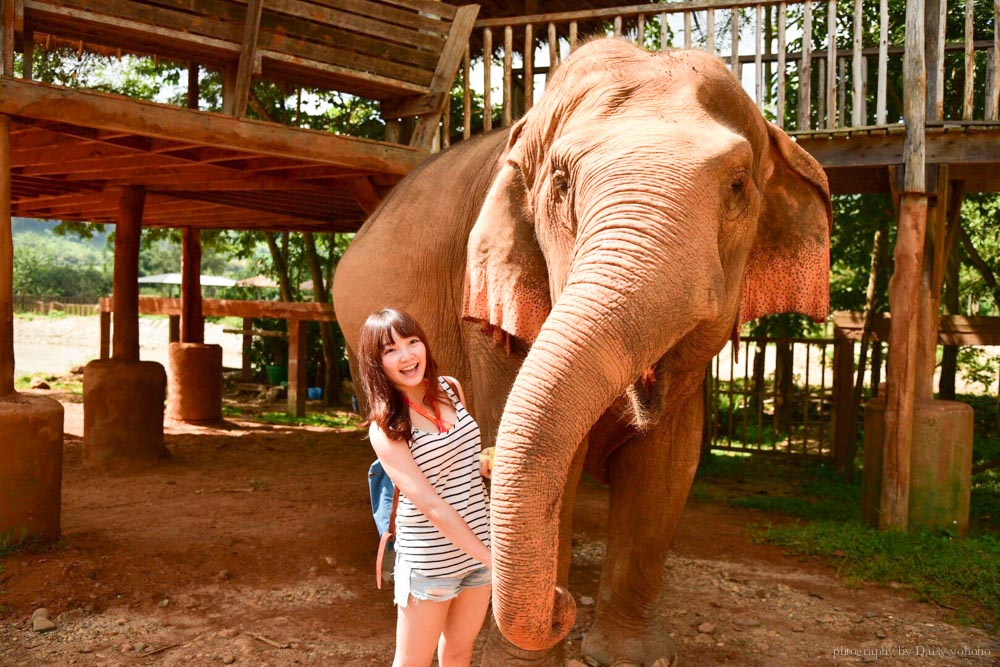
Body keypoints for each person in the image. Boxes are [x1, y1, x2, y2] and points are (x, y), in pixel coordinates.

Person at [357, 308, 492, 667]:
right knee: (413, 662)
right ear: (377, 363)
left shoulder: (450, 388)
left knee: (460, 652)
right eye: (390, 350)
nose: (406, 355)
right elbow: (430, 505)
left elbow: (459, 463)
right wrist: (493, 558)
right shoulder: (385, 426)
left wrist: (487, 464)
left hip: (480, 550)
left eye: (412, 341)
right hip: (432, 562)